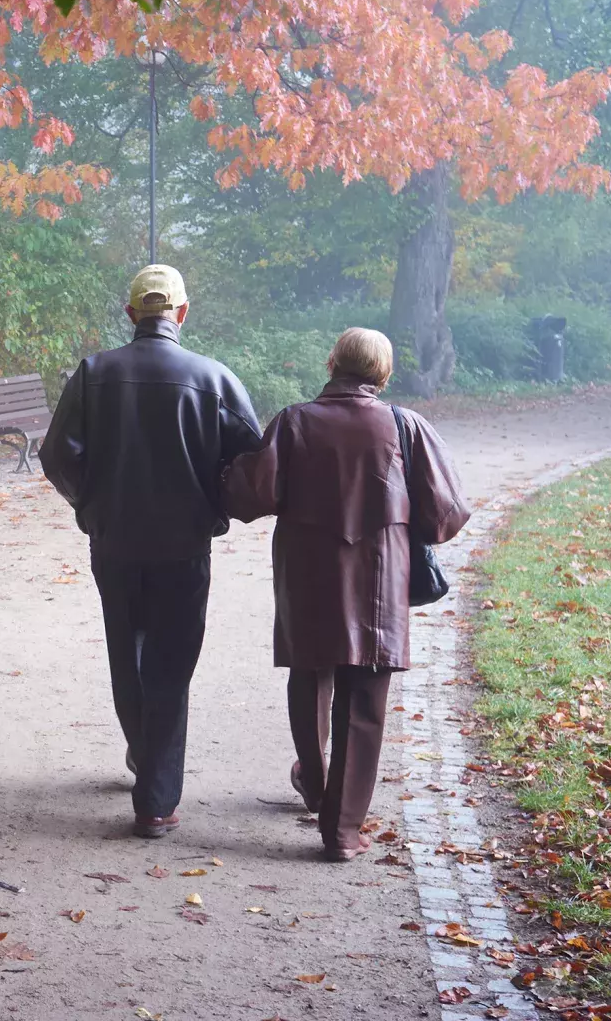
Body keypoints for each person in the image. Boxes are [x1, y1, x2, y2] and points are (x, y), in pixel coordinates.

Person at [222, 327, 471, 861]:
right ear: (383, 375)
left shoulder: (294, 422)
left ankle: (313, 783)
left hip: (307, 575)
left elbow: (251, 495)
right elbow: (448, 514)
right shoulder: (406, 426)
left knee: (309, 675)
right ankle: (342, 832)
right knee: (364, 698)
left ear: (332, 363)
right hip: (379, 582)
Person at [40, 264, 263, 838]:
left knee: (126, 652)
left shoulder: (94, 374)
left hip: (114, 539)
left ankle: (144, 756)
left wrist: (88, 503)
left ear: (131, 312)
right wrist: (216, 503)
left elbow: (56, 455)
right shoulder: (212, 379)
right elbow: (255, 460)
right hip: (184, 546)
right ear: (182, 314)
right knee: (170, 663)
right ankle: (156, 801)